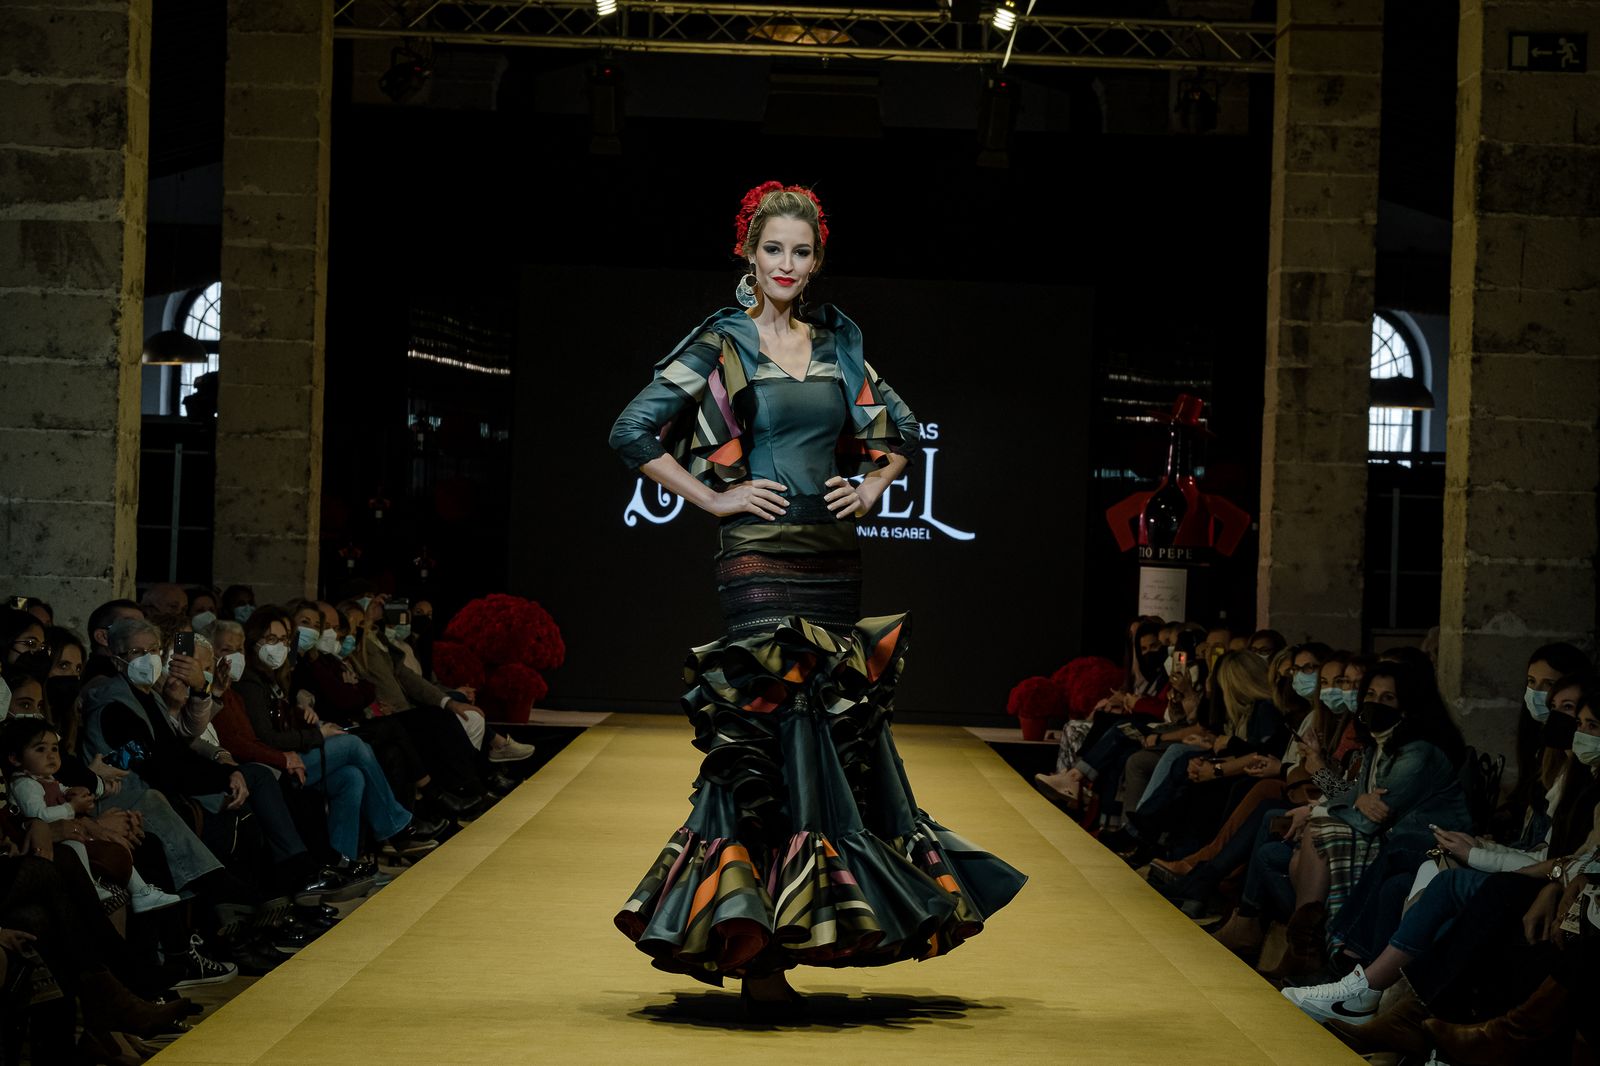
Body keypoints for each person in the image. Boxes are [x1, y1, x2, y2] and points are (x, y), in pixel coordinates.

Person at [605, 181, 1026, 1017]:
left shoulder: (840, 344)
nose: (787, 265)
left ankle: (802, 927)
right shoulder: (720, 341)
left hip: (834, 565)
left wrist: (872, 489)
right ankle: (754, 945)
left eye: (801, 251)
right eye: (773, 250)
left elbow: (900, 433)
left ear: (816, 259)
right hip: (758, 561)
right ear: (748, 256)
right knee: (769, 737)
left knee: (827, 736)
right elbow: (630, 431)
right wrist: (717, 497)